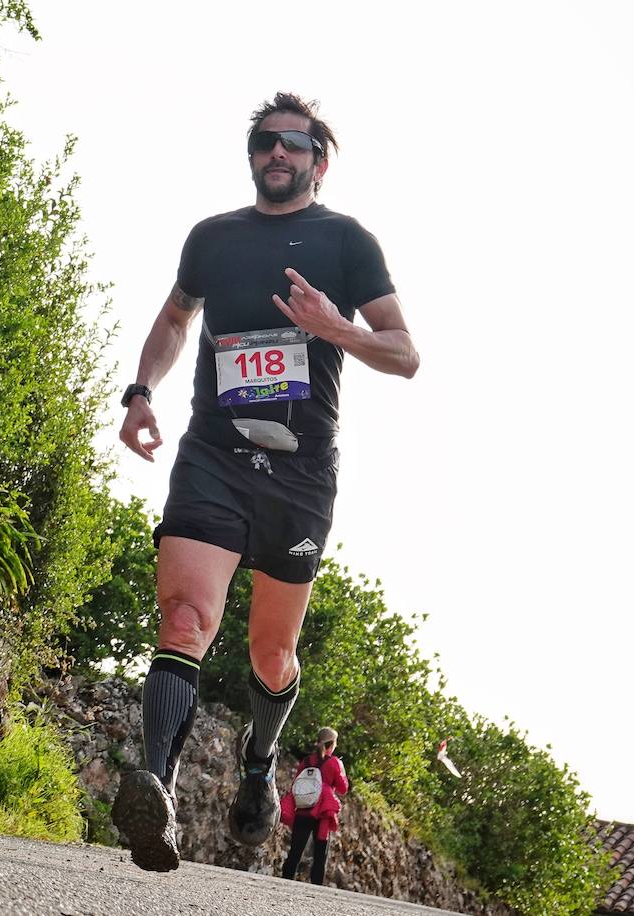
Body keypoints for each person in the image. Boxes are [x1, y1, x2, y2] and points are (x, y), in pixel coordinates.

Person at [109, 92, 418, 872]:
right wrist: (141, 392)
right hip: (213, 452)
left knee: (271, 653)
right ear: (252, 156)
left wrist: (336, 329)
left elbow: (404, 352)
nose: (277, 153)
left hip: (301, 474)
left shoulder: (347, 242)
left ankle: (261, 753)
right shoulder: (212, 238)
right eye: (264, 142)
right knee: (183, 620)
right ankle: (161, 795)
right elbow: (177, 318)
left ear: (318, 161)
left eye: (294, 143)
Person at [280, 726, 349, 884]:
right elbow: (343, 788)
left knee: (295, 852)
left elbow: (297, 784)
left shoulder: (306, 761)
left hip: (303, 809)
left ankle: (284, 882)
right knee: (320, 856)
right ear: (332, 744)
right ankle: (316, 889)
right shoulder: (334, 763)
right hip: (322, 814)